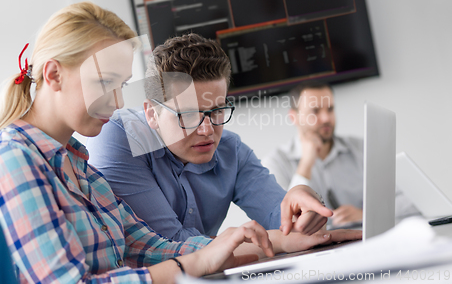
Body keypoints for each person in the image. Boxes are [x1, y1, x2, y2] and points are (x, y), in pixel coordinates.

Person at [0, 2, 285, 284]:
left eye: (122, 85)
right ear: (54, 75)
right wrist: (195, 264)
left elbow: (143, 246)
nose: (116, 103)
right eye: (104, 83)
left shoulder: (78, 165)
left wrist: (243, 243)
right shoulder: (10, 160)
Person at [87, 34, 361, 246]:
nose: (207, 130)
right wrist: (279, 242)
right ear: (152, 113)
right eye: (190, 115)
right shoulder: (117, 136)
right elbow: (166, 244)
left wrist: (305, 208)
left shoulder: (232, 151)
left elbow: (286, 226)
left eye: (216, 111)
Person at [261, 81, 420, 227]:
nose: (326, 118)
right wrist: (306, 164)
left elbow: (413, 199)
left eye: (330, 109)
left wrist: (365, 215)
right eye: (315, 111)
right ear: (293, 117)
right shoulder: (276, 162)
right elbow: (282, 221)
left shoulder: (361, 148)